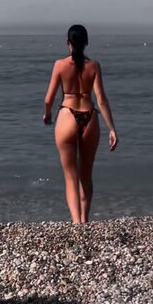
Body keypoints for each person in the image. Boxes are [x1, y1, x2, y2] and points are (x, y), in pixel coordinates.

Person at [43, 24, 118, 224]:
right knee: (86, 175)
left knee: (71, 177)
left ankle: (76, 223)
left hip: (67, 115)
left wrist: (47, 115)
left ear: (68, 42)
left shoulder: (60, 65)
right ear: (86, 43)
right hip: (89, 118)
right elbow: (101, 100)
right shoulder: (94, 66)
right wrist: (112, 129)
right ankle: (85, 220)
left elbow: (48, 99)